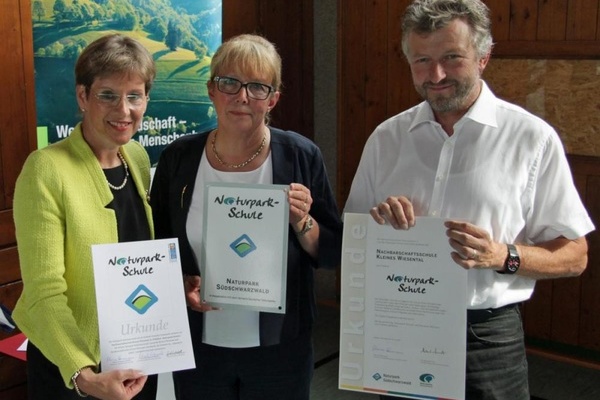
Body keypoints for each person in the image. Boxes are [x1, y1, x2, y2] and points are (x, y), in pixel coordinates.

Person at [343, 0, 595, 399]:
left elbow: (575, 255)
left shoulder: (531, 139)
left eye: (451, 58)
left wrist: (502, 257)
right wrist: (377, 225)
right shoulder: (386, 139)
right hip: (400, 322)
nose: (436, 74)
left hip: (486, 336)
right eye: (422, 60)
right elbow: (352, 240)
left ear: (483, 57)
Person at [150, 33, 342, 400]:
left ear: (273, 99)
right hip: (199, 349)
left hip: (279, 350)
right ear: (211, 89)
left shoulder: (301, 156)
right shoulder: (179, 158)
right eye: (229, 83)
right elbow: (159, 243)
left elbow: (331, 252)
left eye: (257, 87)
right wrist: (179, 282)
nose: (242, 97)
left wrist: (303, 222)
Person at [12, 34, 158, 400]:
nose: (124, 111)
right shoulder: (45, 169)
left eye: (134, 96)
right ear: (83, 97)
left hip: (134, 359)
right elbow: (44, 294)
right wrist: (83, 374)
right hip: (72, 369)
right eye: (108, 95)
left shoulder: (137, 157)